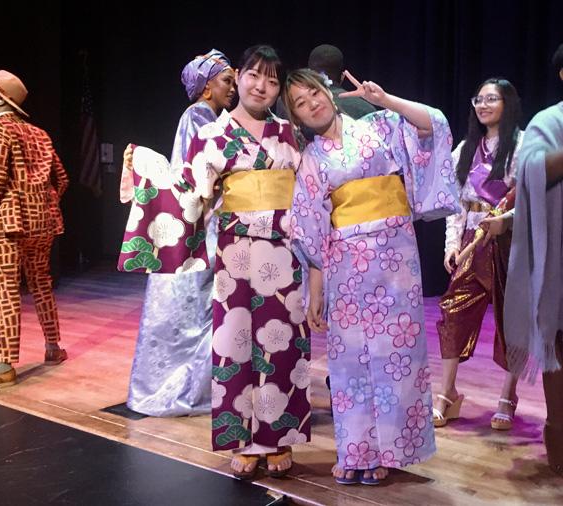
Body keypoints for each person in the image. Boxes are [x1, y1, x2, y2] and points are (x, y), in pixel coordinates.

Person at [122, 45, 310, 481]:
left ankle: (276, 439)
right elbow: (189, 191)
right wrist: (148, 169)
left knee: (281, 346)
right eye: (253, 76)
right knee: (235, 343)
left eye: (272, 80)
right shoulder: (213, 135)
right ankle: (243, 439)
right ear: (239, 77)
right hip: (236, 253)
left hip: (284, 251)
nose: (262, 86)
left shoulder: (290, 134)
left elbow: (310, 189)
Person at [284, 68, 459, 484]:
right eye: (301, 104)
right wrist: (316, 292)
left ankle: (388, 450)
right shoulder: (311, 159)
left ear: (328, 90)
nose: (313, 104)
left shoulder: (379, 124)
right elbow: (311, 230)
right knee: (350, 359)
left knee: (395, 356)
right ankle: (356, 451)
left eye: (314, 93)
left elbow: (432, 123)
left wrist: (386, 100)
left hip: (395, 253)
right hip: (345, 260)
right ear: (297, 119)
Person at [118, 50, 235, 417]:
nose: (233, 88)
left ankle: (203, 382)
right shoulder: (199, 116)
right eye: (226, 81)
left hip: (207, 214)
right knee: (202, 302)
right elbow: (200, 172)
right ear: (205, 88)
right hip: (203, 219)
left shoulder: (208, 114)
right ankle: (187, 386)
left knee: (204, 304)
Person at [481, 44, 563, 476]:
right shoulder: (548, 121)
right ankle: (560, 432)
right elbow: (533, 170)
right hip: (559, 258)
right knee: (560, 346)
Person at [0, 69, 68, 393]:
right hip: (43, 222)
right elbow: (62, 179)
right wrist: (42, 201)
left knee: (4, 290)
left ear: (0, 101)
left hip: (6, 222)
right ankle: (53, 347)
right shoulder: (40, 133)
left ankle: (2, 366)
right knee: (40, 283)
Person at [434, 78, 524, 431]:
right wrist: (451, 244)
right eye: (479, 99)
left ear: (508, 103)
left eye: (492, 99)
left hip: (509, 241)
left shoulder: (522, 144)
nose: (483, 105)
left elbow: (529, 197)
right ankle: (447, 392)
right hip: (473, 238)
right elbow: (454, 203)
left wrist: (505, 221)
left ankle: (508, 394)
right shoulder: (466, 148)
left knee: (511, 319)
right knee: (453, 309)